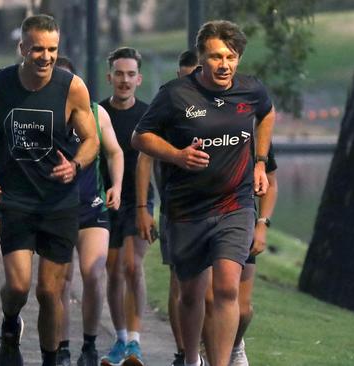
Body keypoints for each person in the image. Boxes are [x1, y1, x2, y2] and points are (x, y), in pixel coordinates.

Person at [131, 20, 275, 366]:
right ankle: (191, 357)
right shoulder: (175, 94)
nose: (224, 64)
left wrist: (258, 161)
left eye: (230, 57)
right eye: (215, 57)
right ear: (201, 59)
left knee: (227, 287)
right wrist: (177, 155)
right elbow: (140, 138)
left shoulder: (250, 90)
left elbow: (267, 114)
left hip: (234, 205)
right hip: (187, 209)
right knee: (192, 295)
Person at [0, 14, 99, 366]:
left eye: (52, 49)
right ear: (22, 48)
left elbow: (91, 140)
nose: (46, 57)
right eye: (37, 49)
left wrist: (76, 165)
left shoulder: (72, 87)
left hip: (59, 201)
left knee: (50, 291)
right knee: (20, 287)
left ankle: (50, 358)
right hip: (17, 199)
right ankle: (10, 328)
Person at [53, 56, 124, 366]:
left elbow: (115, 151)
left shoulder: (96, 113)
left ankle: (90, 345)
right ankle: (63, 347)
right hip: (53, 208)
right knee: (59, 281)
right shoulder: (41, 114)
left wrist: (117, 185)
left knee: (93, 274)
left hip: (91, 205)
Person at [143, 49, 198, 366]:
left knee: (212, 288)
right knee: (181, 283)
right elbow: (144, 156)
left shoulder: (216, 108)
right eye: (186, 75)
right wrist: (142, 206)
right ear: (179, 74)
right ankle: (182, 352)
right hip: (176, 208)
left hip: (217, 207)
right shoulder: (168, 105)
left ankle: (204, 350)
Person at [99, 47, 153, 366]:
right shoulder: (99, 113)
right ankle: (120, 339)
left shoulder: (149, 115)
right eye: (119, 74)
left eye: (130, 74)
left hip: (140, 199)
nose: (124, 80)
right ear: (110, 77)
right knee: (113, 269)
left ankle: (135, 341)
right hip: (106, 200)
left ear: (139, 79)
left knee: (133, 266)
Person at [203, 146, 278, 366]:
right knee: (210, 299)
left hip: (240, 219)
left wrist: (262, 225)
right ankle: (212, 354)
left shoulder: (255, 135)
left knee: (243, 309)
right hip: (202, 218)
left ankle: (235, 345)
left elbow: (271, 182)